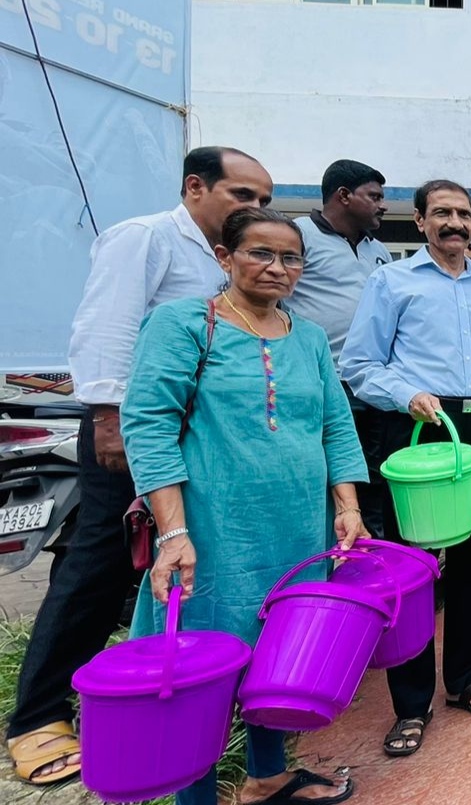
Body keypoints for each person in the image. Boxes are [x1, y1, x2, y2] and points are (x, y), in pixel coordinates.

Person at [8, 146, 272, 787]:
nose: (254, 208)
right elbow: (107, 326)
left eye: (264, 201)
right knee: (100, 561)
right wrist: (108, 415)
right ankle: (37, 717)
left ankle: (178, 687)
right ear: (195, 187)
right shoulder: (146, 239)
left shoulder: (223, 258)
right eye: (242, 195)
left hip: (201, 438)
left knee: (174, 559)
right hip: (134, 431)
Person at [122, 207, 364, 805]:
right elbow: (149, 425)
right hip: (212, 532)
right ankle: (195, 796)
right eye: (261, 253)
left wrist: (348, 506)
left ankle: (267, 776)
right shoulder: (184, 324)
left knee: (280, 657)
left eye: (291, 258)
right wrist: (173, 533)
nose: (277, 267)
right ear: (224, 257)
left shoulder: (308, 336)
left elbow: (336, 425)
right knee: (197, 671)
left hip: (299, 531)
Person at [342, 179, 471, 755]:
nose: (455, 223)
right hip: (416, 428)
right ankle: (410, 703)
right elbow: (360, 364)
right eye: (442, 212)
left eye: (463, 214)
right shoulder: (392, 281)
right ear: (419, 221)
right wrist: (406, 395)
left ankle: (469, 678)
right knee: (412, 566)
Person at [284, 159, 392, 541]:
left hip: (372, 385)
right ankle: (324, 556)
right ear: (344, 196)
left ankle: (368, 557)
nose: (382, 205)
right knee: (326, 475)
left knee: (372, 478)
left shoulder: (379, 250)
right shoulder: (299, 235)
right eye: (374, 196)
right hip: (322, 380)